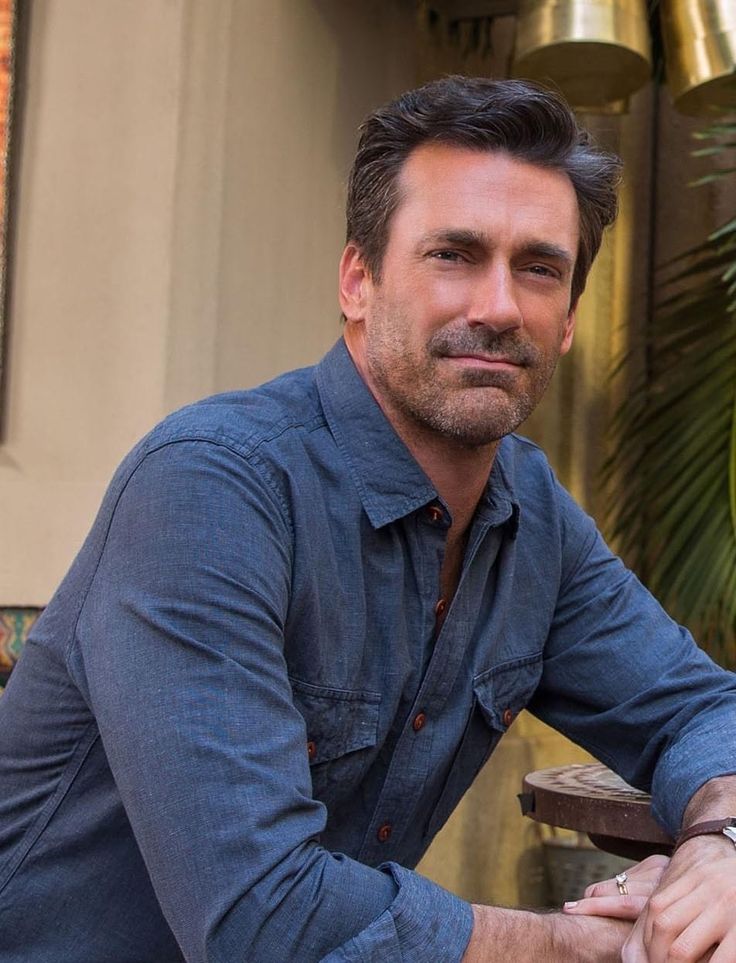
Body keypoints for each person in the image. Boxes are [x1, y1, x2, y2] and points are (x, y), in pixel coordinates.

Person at [0, 76, 735, 963]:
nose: (499, 307)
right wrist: (590, 943)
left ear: (570, 316)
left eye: (539, 267)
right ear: (358, 279)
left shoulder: (529, 516)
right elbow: (259, 918)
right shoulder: (210, 486)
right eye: (453, 254)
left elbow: (700, 709)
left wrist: (717, 850)